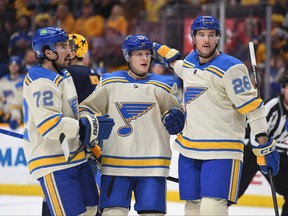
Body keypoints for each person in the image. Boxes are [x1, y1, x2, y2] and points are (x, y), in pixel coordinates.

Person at [153, 15, 280, 215]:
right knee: (192, 208)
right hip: (189, 149)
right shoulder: (190, 62)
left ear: (218, 38)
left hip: (223, 151)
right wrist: (169, 57)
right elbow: (181, 68)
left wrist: (263, 144)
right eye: (201, 34)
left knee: (212, 207)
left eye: (211, 35)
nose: (206, 40)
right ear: (193, 38)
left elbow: (253, 108)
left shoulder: (232, 68)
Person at [79, 34, 185, 215]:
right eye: (138, 54)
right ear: (128, 57)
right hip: (115, 165)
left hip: (153, 166)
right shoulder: (110, 82)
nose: (144, 58)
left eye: (147, 54)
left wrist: (177, 117)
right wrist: (89, 124)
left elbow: (177, 116)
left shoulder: (164, 85)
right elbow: (85, 109)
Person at [22, 26, 114, 216]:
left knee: (92, 210)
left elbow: (73, 115)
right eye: (63, 46)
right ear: (48, 52)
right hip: (53, 161)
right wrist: (85, 126)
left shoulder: (63, 74)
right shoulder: (41, 81)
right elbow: (50, 125)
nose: (70, 51)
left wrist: (91, 140)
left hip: (75, 156)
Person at [238, 75, 288, 216]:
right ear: (283, 89)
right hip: (250, 152)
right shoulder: (272, 106)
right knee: (231, 193)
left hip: (274, 154)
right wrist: (268, 149)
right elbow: (255, 137)